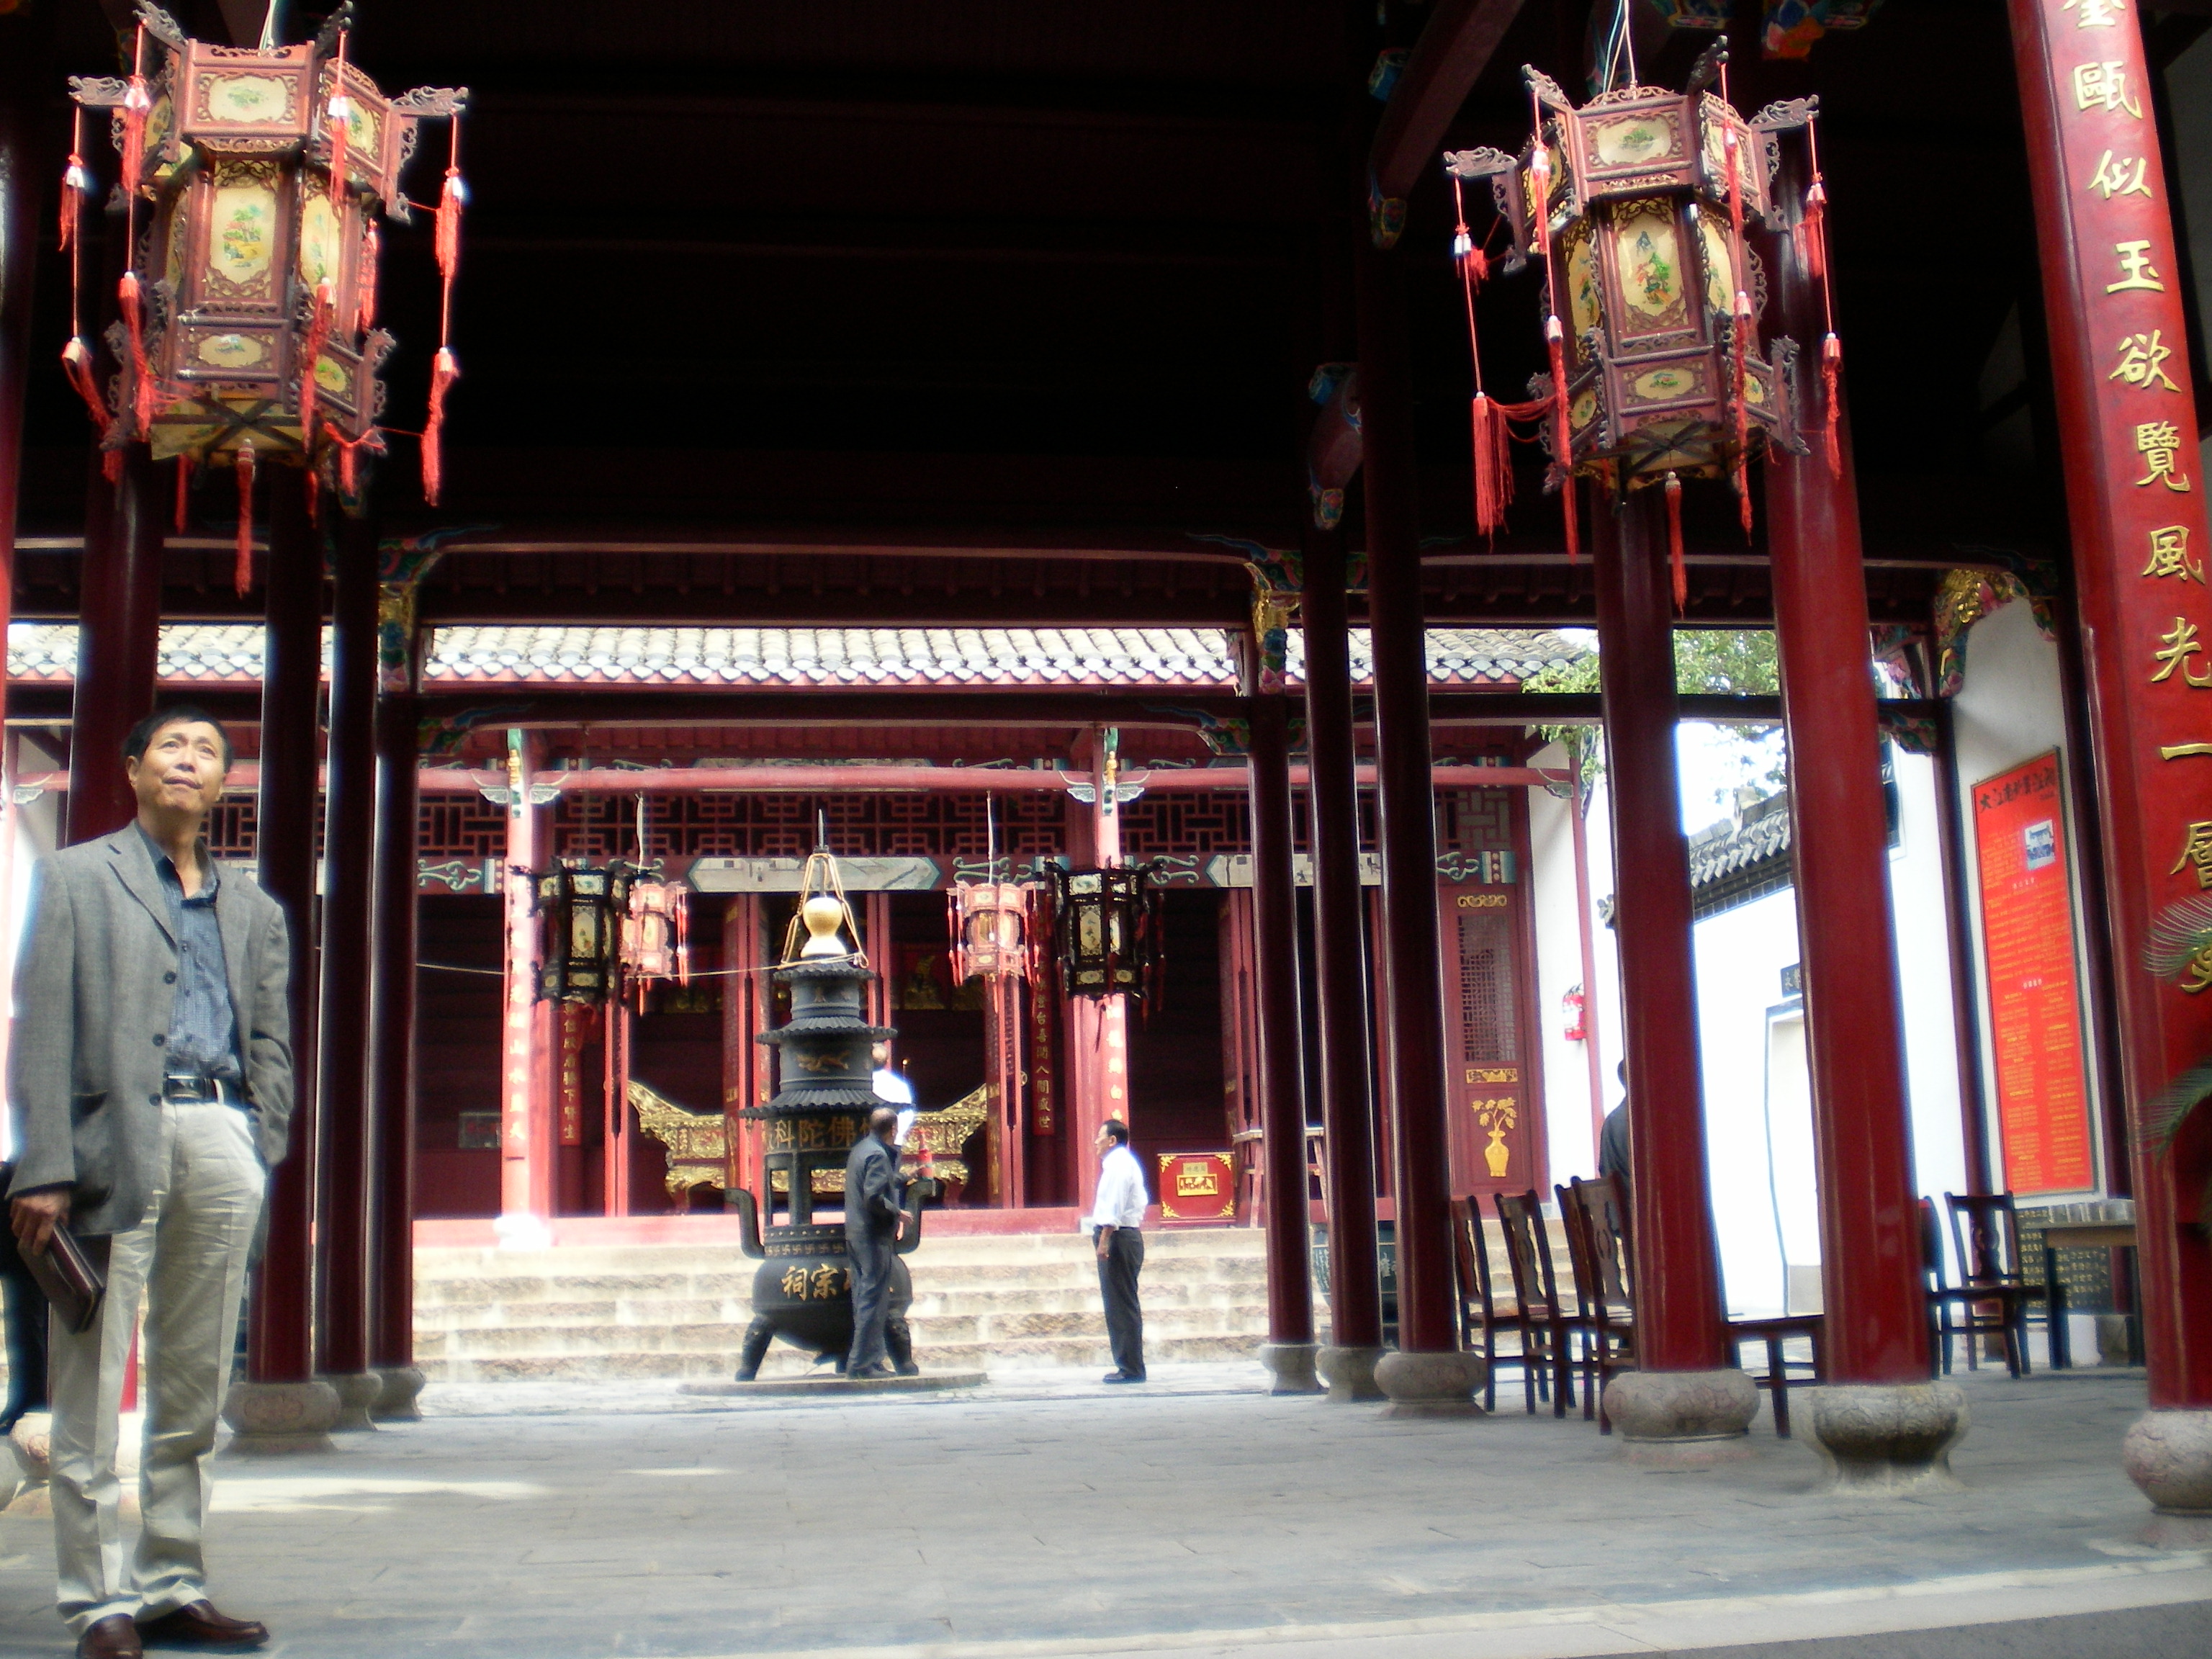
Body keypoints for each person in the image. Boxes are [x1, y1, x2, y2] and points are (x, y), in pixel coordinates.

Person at [7, 709, 294, 1659]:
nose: (188, 761)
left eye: (207, 751)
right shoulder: (77, 878)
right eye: (171, 746)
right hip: (108, 1141)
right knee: (92, 1383)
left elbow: (270, 1036)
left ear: (222, 784)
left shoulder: (254, 907)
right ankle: (98, 1602)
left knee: (193, 1380)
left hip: (220, 1129)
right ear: (133, 770)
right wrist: (45, 1164)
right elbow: (42, 1025)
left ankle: (173, 1582)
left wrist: (259, 1135)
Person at [843, 1105, 910, 1380]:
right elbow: (873, 1197)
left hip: (855, 1233)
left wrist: (905, 1177)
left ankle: (872, 1359)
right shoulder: (878, 1154)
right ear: (893, 1129)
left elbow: (878, 1182)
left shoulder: (862, 1149)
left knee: (864, 1298)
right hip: (872, 1235)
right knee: (873, 1300)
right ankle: (861, 1364)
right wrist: (897, 1212)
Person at [1089, 1118, 1147, 1384]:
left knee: (1121, 1304)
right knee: (1120, 1302)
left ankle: (1130, 1368)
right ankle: (1128, 1364)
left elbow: (1113, 1207)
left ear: (1112, 1140)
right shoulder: (1121, 1163)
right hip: (1123, 1236)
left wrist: (1104, 1241)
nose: (1096, 1142)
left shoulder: (1118, 1165)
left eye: (1100, 1137)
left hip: (1118, 1237)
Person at [1599, 1059, 1632, 1196]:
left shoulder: (1612, 1120)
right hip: (1637, 1203)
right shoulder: (1637, 1122)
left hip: (1615, 1203)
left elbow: (1604, 1169)